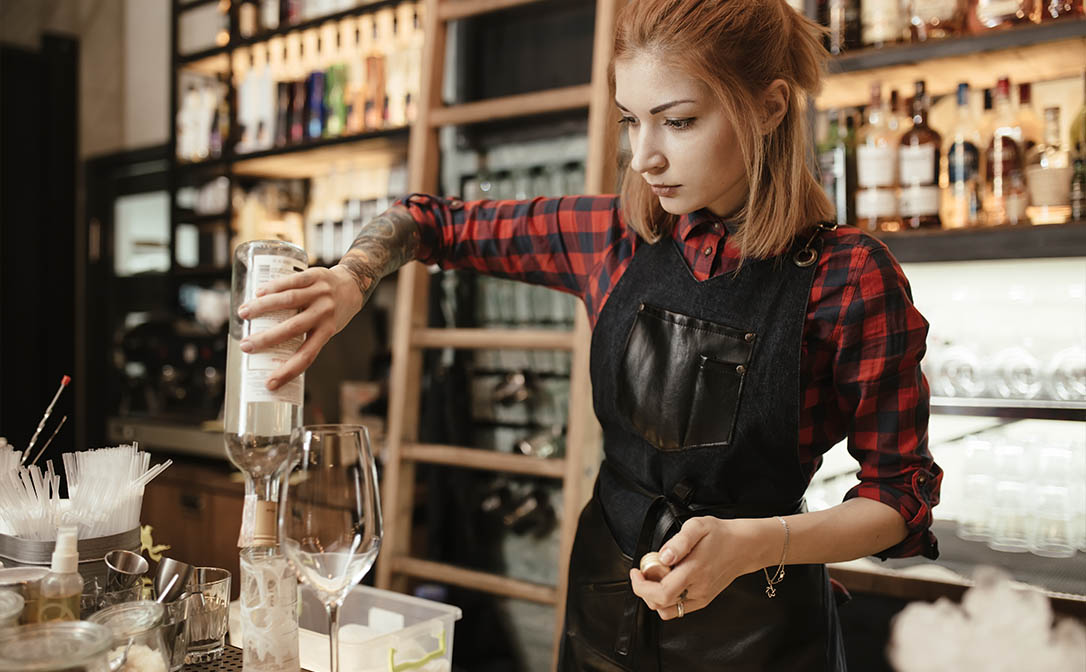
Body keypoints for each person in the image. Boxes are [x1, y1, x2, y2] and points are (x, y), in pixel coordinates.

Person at [237, 0, 943, 669]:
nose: (644, 157)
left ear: (770, 106)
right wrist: (353, 276)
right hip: (603, 617)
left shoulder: (847, 276)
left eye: (679, 121)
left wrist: (757, 543)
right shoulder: (615, 238)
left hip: (759, 636)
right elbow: (432, 221)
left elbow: (899, 499)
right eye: (632, 120)